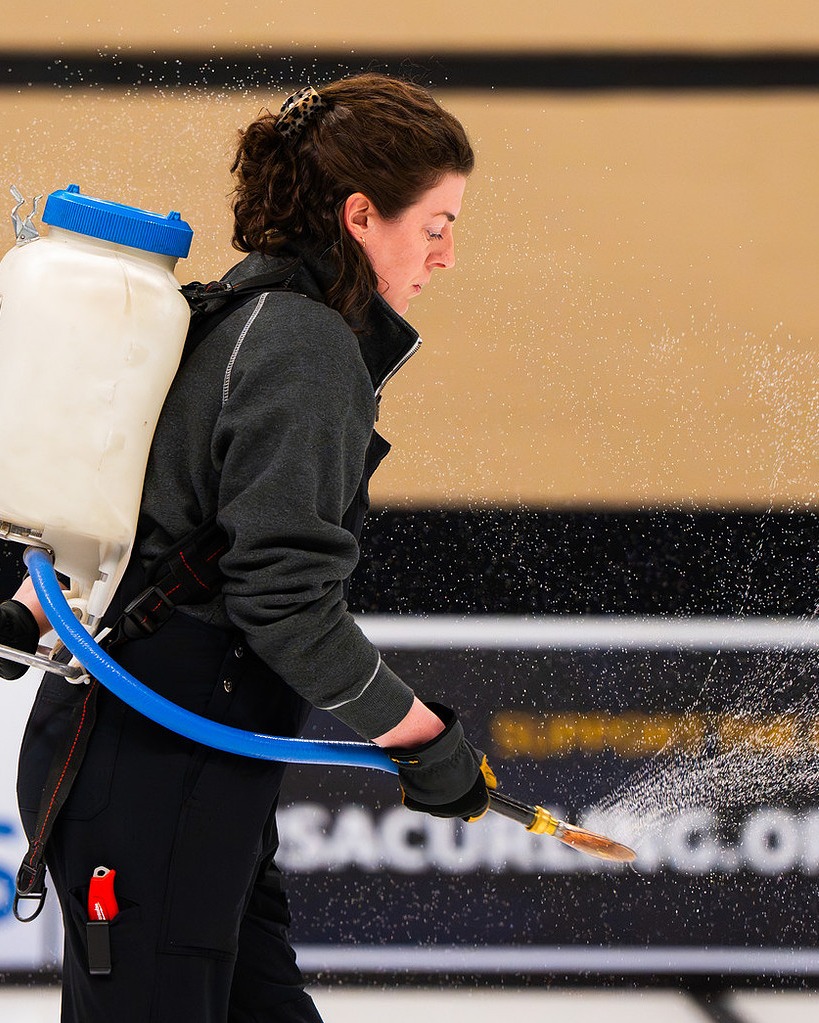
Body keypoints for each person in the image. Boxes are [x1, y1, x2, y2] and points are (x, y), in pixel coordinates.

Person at [2, 73, 495, 1022]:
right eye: (435, 224)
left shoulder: (229, 312)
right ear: (361, 215)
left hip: (167, 767)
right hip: (158, 768)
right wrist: (423, 741)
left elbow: (137, 523)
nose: (445, 254)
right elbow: (285, 601)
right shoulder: (301, 346)